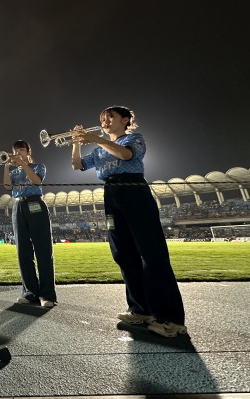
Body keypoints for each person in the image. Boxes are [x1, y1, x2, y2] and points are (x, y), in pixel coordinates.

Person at [70, 105, 186, 338]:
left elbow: (126, 155)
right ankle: (140, 309)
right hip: (111, 194)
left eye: (109, 117)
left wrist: (95, 138)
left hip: (134, 191)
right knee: (123, 253)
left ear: (125, 120)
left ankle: (170, 319)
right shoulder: (101, 149)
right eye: (102, 118)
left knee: (151, 254)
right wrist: (76, 143)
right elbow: (78, 165)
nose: (105, 121)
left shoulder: (134, 138)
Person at [3, 140, 57, 308]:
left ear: (29, 151)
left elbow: (36, 181)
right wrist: (6, 166)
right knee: (23, 252)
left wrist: (23, 164)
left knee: (43, 250)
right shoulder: (14, 172)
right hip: (18, 206)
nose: (18, 153)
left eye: (21, 150)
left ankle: (47, 294)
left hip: (36, 204)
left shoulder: (39, 166)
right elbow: (7, 186)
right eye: (15, 150)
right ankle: (29, 292)